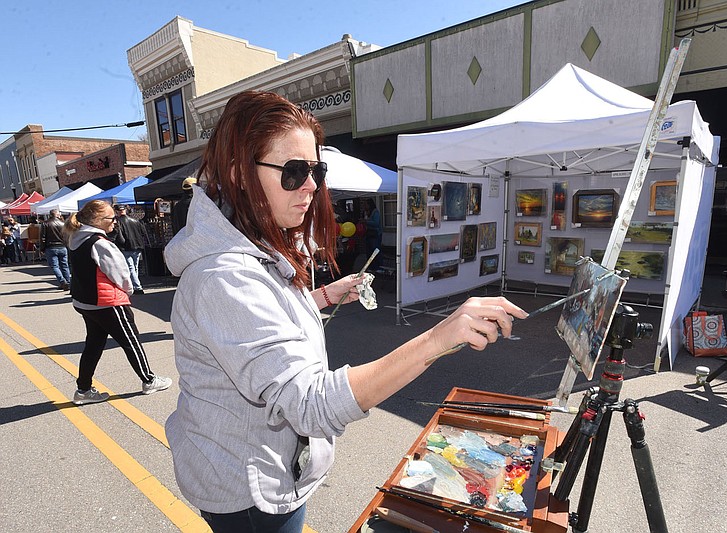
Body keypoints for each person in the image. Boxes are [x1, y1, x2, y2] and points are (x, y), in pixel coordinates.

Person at [162, 90, 526, 532]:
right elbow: (310, 403)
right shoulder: (225, 276)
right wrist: (438, 337)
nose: (313, 185)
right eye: (294, 172)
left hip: (266, 466)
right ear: (240, 175)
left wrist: (323, 296)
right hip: (249, 491)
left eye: (316, 170)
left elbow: (259, 326)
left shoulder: (253, 243)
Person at [62, 200, 172, 405]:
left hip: (86, 302)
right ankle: (149, 379)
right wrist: (128, 291)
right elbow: (120, 274)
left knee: (93, 345)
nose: (115, 222)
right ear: (97, 220)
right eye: (111, 219)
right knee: (131, 340)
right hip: (106, 301)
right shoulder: (100, 243)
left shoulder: (75, 238)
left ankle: (83, 389)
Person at [113, 204, 148, 294]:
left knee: (131, 267)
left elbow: (119, 237)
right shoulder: (135, 221)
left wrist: (121, 244)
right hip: (137, 246)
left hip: (126, 247)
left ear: (117, 211)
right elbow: (143, 232)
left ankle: (137, 287)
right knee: (134, 267)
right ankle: (135, 285)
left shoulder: (118, 222)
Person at [40, 209, 72, 290]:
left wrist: (42, 248)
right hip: (62, 246)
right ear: (57, 215)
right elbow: (66, 236)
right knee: (64, 265)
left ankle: (62, 281)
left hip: (51, 247)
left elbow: (43, 237)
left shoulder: (45, 224)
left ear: (50, 215)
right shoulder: (63, 223)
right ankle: (68, 282)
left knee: (55, 266)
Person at [362, 197, 383, 271]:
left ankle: (378, 266)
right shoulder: (366, 212)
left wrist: (366, 221)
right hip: (369, 233)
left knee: (375, 250)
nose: (364, 206)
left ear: (370, 204)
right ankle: (370, 267)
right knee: (369, 251)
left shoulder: (375, 212)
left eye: (366, 204)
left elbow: (376, 223)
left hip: (375, 234)